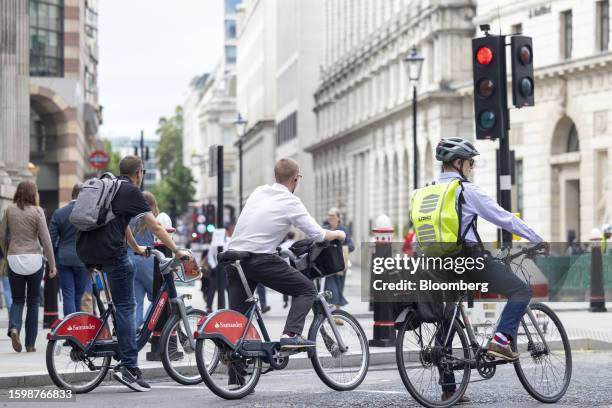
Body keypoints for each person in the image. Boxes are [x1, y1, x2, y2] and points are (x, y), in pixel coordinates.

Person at [411, 138, 546, 402]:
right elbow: (502, 216)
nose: (471, 167)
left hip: (436, 263)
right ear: (459, 163)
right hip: (467, 259)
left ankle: (449, 388)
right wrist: (535, 237)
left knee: (446, 318)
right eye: (470, 162)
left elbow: (419, 236)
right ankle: (501, 341)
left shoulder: (425, 192)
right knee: (520, 290)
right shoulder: (464, 190)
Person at [76, 155, 190, 392]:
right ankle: (129, 367)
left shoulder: (112, 188)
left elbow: (122, 224)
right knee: (127, 307)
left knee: (121, 307)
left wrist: (137, 248)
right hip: (113, 255)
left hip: (90, 251)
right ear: (139, 172)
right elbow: (156, 226)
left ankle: (121, 348)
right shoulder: (131, 192)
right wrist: (177, 251)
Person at [227, 158, 345, 349]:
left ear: (276, 176)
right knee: (307, 290)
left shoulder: (259, 192)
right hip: (259, 259)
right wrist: (339, 233)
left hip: (233, 259)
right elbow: (318, 233)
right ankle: (291, 334)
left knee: (238, 321)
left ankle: (236, 369)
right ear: (295, 179)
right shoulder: (291, 201)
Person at [0, 181, 57, 353]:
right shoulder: (37, 211)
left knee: (18, 299)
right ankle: (30, 344)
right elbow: (46, 240)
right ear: (34, 194)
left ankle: (15, 327)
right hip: (34, 259)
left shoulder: (9, 210)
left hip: (15, 258)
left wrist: (7, 252)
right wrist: (52, 265)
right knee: (33, 302)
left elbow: (2, 235)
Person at [49, 183, 89, 317]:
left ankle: (70, 330)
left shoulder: (59, 213)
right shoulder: (88, 213)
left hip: (64, 259)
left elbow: (51, 239)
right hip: (83, 259)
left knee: (68, 294)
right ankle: (77, 331)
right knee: (79, 295)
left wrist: (52, 261)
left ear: (72, 194)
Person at [127, 191, 160, 328]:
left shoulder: (129, 219)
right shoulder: (153, 220)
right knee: (158, 298)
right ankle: (148, 324)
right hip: (148, 262)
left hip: (131, 260)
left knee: (137, 300)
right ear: (152, 205)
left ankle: (135, 329)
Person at [322, 208, 354, 315]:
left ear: (338, 218)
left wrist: (342, 248)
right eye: (329, 215)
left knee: (339, 288)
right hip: (328, 265)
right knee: (330, 289)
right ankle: (333, 314)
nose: (330, 218)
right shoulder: (325, 229)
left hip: (340, 264)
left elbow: (351, 245)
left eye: (332, 216)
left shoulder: (343, 230)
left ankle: (336, 313)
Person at [207, 224, 234, 312]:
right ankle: (209, 307)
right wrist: (214, 266)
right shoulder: (215, 242)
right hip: (217, 268)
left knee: (229, 289)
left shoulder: (230, 241)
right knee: (212, 289)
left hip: (227, 268)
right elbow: (210, 255)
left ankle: (231, 307)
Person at [279, 231, 296, 309]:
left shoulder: (282, 245)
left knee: (286, 285)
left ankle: (285, 301)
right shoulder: (296, 244)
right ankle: (294, 302)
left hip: (285, 267)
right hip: (295, 266)